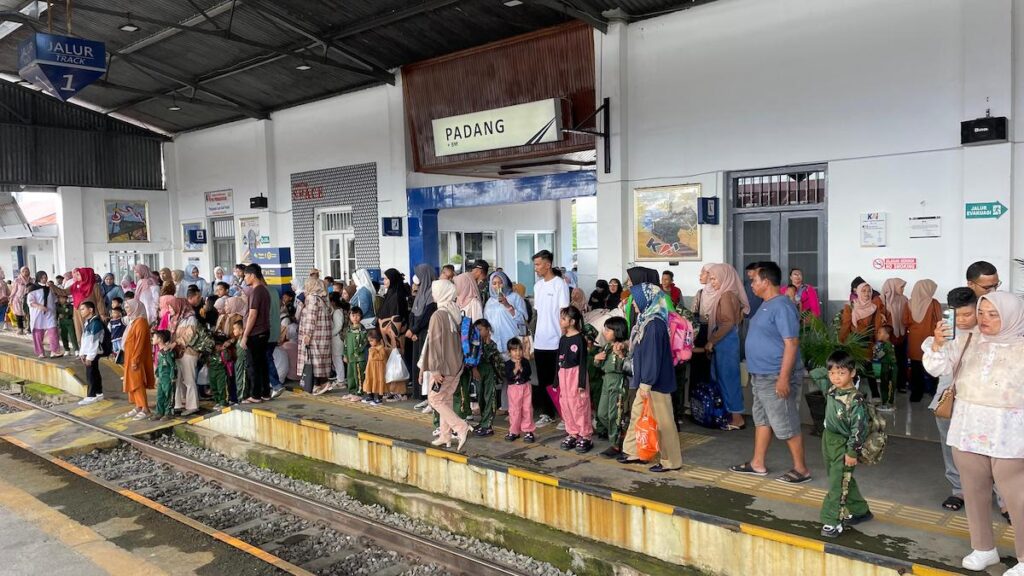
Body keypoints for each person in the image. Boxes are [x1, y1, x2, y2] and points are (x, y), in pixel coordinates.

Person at [930, 292, 1024, 573]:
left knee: (1017, 496)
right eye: (981, 313)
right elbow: (937, 367)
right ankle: (983, 548)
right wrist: (937, 343)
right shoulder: (967, 339)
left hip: (1009, 433)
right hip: (968, 427)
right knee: (973, 491)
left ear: (1011, 317)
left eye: (993, 315)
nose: (984, 320)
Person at [729, 262, 810, 483]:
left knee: (785, 421)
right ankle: (757, 463)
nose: (751, 285)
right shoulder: (765, 305)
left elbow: (791, 343)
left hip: (776, 375)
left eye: (754, 280)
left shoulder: (782, 306)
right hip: (761, 376)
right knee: (763, 420)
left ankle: (801, 469)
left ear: (766, 281)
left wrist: (783, 378)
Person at [923, 288, 979, 513]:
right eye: (959, 315)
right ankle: (958, 489)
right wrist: (937, 345)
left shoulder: (989, 334)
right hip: (950, 399)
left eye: (969, 314)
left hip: (981, 402)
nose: (964, 320)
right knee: (951, 446)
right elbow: (936, 368)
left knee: (986, 451)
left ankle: (1002, 498)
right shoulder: (946, 335)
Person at [618, 283, 683, 472]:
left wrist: (646, 383)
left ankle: (671, 461)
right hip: (644, 380)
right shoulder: (645, 320)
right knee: (638, 416)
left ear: (646, 300)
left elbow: (653, 357)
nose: (634, 303)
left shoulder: (654, 324)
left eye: (636, 299)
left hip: (654, 383)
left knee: (664, 423)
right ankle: (635, 452)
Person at [817, 351, 873, 538]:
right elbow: (817, 372)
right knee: (841, 478)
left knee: (836, 483)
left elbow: (859, 429)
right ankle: (860, 510)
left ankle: (832, 521)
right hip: (828, 440)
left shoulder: (855, 400)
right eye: (832, 373)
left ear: (853, 373)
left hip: (844, 444)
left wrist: (852, 452)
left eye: (841, 373)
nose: (835, 377)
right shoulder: (832, 389)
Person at [423, 279, 470, 451]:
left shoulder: (438, 315)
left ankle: (460, 427)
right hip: (457, 364)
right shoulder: (454, 310)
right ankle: (445, 435)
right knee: (446, 398)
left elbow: (435, 343)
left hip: (443, 367)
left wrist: (434, 369)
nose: (433, 293)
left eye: (435, 290)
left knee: (434, 399)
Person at [705, 263, 749, 430]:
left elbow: (728, 322)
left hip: (726, 341)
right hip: (727, 340)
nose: (712, 282)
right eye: (711, 279)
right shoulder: (731, 294)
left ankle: (737, 418)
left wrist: (712, 341)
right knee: (725, 378)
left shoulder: (725, 295)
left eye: (714, 278)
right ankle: (730, 415)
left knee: (728, 379)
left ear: (724, 278)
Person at [532, 250, 569, 427]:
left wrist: (564, 339)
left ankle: (564, 415)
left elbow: (564, 313)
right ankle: (547, 413)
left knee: (559, 381)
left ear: (548, 264)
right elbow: (538, 314)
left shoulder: (559, 284)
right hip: (540, 341)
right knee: (543, 380)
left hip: (556, 341)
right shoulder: (538, 286)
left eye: (538, 264)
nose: (536, 268)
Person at [839, 277, 890, 399]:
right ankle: (853, 395)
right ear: (857, 292)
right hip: (854, 344)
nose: (867, 293)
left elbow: (877, 328)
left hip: (868, 344)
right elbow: (845, 327)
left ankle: (873, 394)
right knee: (854, 369)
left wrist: (880, 343)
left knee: (868, 368)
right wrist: (841, 343)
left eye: (869, 291)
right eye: (864, 291)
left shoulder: (874, 308)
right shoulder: (850, 308)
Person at [556, 306, 593, 453]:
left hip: (576, 374)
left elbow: (583, 362)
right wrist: (556, 380)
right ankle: (572, 432)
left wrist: (581, 382)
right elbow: (557, 359)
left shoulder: (579, 339)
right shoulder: (563, 339)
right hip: (563, 374)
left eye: (563, 318)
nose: (561, 321)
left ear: (572, 321)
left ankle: (585, 435)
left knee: (579, 404)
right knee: (566, 404)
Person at [595, 316, 629, 458]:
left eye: (608, 330)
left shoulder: (623, 346)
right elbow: (601, 366)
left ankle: (616, 444)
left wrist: (620, 355)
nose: (605, 332)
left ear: (617, 331)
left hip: (617, 382)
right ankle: (619, 435)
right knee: (602, 414)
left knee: (614, 414)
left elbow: (624, 367)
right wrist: (597, 359)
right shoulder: (607, 346)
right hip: (606, 380)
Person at [904, 279, 941, 402]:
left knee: (916, 367)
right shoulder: (934, 303)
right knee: (932, 365)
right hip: (930, 340)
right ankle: (934, 392)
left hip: (914, 340)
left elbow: (905, 322)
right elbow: (939, 320)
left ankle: (916, 394)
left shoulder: (909, 303)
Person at [241, 264, 273, 404]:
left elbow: (252, 315)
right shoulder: (265, 290)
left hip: (256, 332)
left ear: (253, 275)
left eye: (245, 276)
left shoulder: (256, 291)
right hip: (264, 331)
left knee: (253, 365)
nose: (244, 279)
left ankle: (255, 395)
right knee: (262, 364)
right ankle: (265, 392)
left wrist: (245, 335)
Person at [408, 264, 437, 407]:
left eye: (418, 275)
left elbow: (426, 316)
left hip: (425, 333)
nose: (415, 280)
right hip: (417, 334)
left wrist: (413, 330)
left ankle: (428, 396)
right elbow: (413, 312)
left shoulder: (432, 293)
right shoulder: (421, 293)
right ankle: (420, 394)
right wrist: (412, 330)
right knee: (418, 363)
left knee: (425, 363)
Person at [298, 277, 333, 395]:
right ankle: (322, 383)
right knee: (320, 360)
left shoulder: (312, 299)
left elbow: (311, 318)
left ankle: (319, 384)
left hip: (315, 336)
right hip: (322, 335)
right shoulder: (322, 298)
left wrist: (307, 334)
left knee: (313, 361)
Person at [120, 300, 153, 420]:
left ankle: (145, 408)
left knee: (137, 382)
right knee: (132, 381)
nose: (127, 310)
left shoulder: (141, 322)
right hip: (130, 356)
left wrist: (135, 359)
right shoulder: (133, 321)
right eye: (126, 307)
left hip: (135, 357)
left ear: (135, 308)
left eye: (128, 307)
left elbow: (139, 343)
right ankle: (139, 406)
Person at [484, 271, 528, 356]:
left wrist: (507, 305)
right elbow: (487, 322)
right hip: (496, 345)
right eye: (494, 283)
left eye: (500, 283)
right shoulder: (489, 302)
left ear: (505, 283)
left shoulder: (515, 297)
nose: (497, 286)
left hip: (513, 343)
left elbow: (523, 320)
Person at [472, 318, 504, 437]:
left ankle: (487, 426)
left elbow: (487, 356)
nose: (478, 332)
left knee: (489, 398)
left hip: (489, 373)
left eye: (480, 330)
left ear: (488, 329)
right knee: (481, 398)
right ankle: (483, 421)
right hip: (479, 373)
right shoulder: (475, 343)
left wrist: (487, 342)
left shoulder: (492, 344)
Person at [169, 297, 200, 416]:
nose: (169, 309)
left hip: (188, 353)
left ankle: (192, 406)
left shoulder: (190, 318)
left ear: (179, 306)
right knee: (177, 379)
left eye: (171, 307)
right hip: (177, 353)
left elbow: (189, 335)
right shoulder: (175, 319)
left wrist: (176, 343)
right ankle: (178, 404)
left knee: (189, 379)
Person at [880, 278, 909, 393]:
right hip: (888, 337)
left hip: (901, 336)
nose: (903, 289)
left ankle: (901, 384)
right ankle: (886, 387)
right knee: (886, 363)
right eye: (901, 287)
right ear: (893, 287)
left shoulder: (905, 299)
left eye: (903, 287)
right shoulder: (882, 300)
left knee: (901, 361)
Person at [504, 338, 534, 442]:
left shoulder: (524, 361)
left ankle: (528, 430)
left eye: (519, 350)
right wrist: (515, 370)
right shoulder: (507, 363)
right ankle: (514, 431)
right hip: (513, 389)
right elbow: (508, 376)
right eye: (514, 350)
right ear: (509, 352)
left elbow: (528, 373)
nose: (518, 353)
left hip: (525, 387)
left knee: (527, 409)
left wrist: (521, 369)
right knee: (514, 411)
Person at [27, 272, 61, 358]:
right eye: (42, 277)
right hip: (38, 314)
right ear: (38, 278)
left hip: (49, 312)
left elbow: (54, 299)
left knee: (53, 331)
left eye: (45, 277)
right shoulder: (32, 288)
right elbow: (30, 301)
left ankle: (54, 351)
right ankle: (40, 352)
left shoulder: (49, 288)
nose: (44, 279)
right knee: (38, 333)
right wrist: (39, 306)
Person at [77, 301, 105, 405]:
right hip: (89, 352)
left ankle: (92, 395)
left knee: (91, 374)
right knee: (94, 372)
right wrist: (82, 353)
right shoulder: (88, 322)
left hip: (93, 353)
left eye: (83, 309)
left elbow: (94, 341)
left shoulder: (96, 323)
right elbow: (85, 339)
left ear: (90, 310)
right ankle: (98, 393)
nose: (81, 311)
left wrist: (90, 357)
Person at [70, 267, 105, 342]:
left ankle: (92, 349)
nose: (77, 276)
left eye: (79, 275)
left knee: (91, 331)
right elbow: (64, 292)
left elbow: (99, 300)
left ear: (85, 275)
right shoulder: (75, 285)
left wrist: (102, 313)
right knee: (80, 330)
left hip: (91, 312)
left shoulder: (94, 286)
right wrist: (52, 287)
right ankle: (83, 349)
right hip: (78, 313)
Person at [341, 307, 369, 401]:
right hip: (350, 357)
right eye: (353, 315)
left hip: (359, 358)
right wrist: (345, 354)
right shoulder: (348, 330)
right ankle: (351, 392)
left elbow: (365, 342)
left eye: (357, 315)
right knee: (351, 376)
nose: (355, 318)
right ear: (349, 316)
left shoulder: (362, 330)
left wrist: (358, 351)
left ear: (361, 316)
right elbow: (345, 343)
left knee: (359, 376)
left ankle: (359, 393)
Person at [151, 330, 176, 420]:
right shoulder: (160, 352)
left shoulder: (167, 352)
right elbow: (159, 365)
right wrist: (157, 376)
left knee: (168, 395)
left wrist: (173, 377)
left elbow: (173, 366)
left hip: (167, 378)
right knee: (160, 395)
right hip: (161, 377)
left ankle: (168, 413)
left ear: (160, 339)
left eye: (154, 337)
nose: (152, 338)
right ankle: (159, 412)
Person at [361, 329, 387, 405]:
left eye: (372, 340)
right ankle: (370, 396)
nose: (370, 343)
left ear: (377, 339)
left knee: (379, 382)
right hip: (370, 368)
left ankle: (379, 399)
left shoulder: (381, 348)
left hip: (378, 369)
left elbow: (381, 357)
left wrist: (374, 351)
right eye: (369, 341)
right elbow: (369, 360)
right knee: (369, 380)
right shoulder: (371, 348)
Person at [329, 292, 347, 388]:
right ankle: (340, 378)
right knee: (337, 359)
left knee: (337, 359)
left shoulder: (337, 312)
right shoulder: (337, 311)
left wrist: (330, 334)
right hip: (336, 338)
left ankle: (341, 380)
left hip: (337, 339)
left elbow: (338, 326)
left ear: (333, 302)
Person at [11, 266, 32, 335]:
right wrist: (11, 299)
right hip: (18, 300)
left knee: (28, 314)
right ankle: (20, 328)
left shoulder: (32, 280)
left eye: (27, 271)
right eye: (25, 271)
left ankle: (28, 328)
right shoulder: (17, 280)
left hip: (28, 299)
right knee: (19, 314)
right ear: (21, 272)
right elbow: (14, 290)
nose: (26, 272)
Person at [0, 267, 9, 332]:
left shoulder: (4, 282)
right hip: (3, 300)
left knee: (3, 314)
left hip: (4, 300)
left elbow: (8, 292)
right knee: (2, 314)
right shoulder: (3, 283)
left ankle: (1, 326)